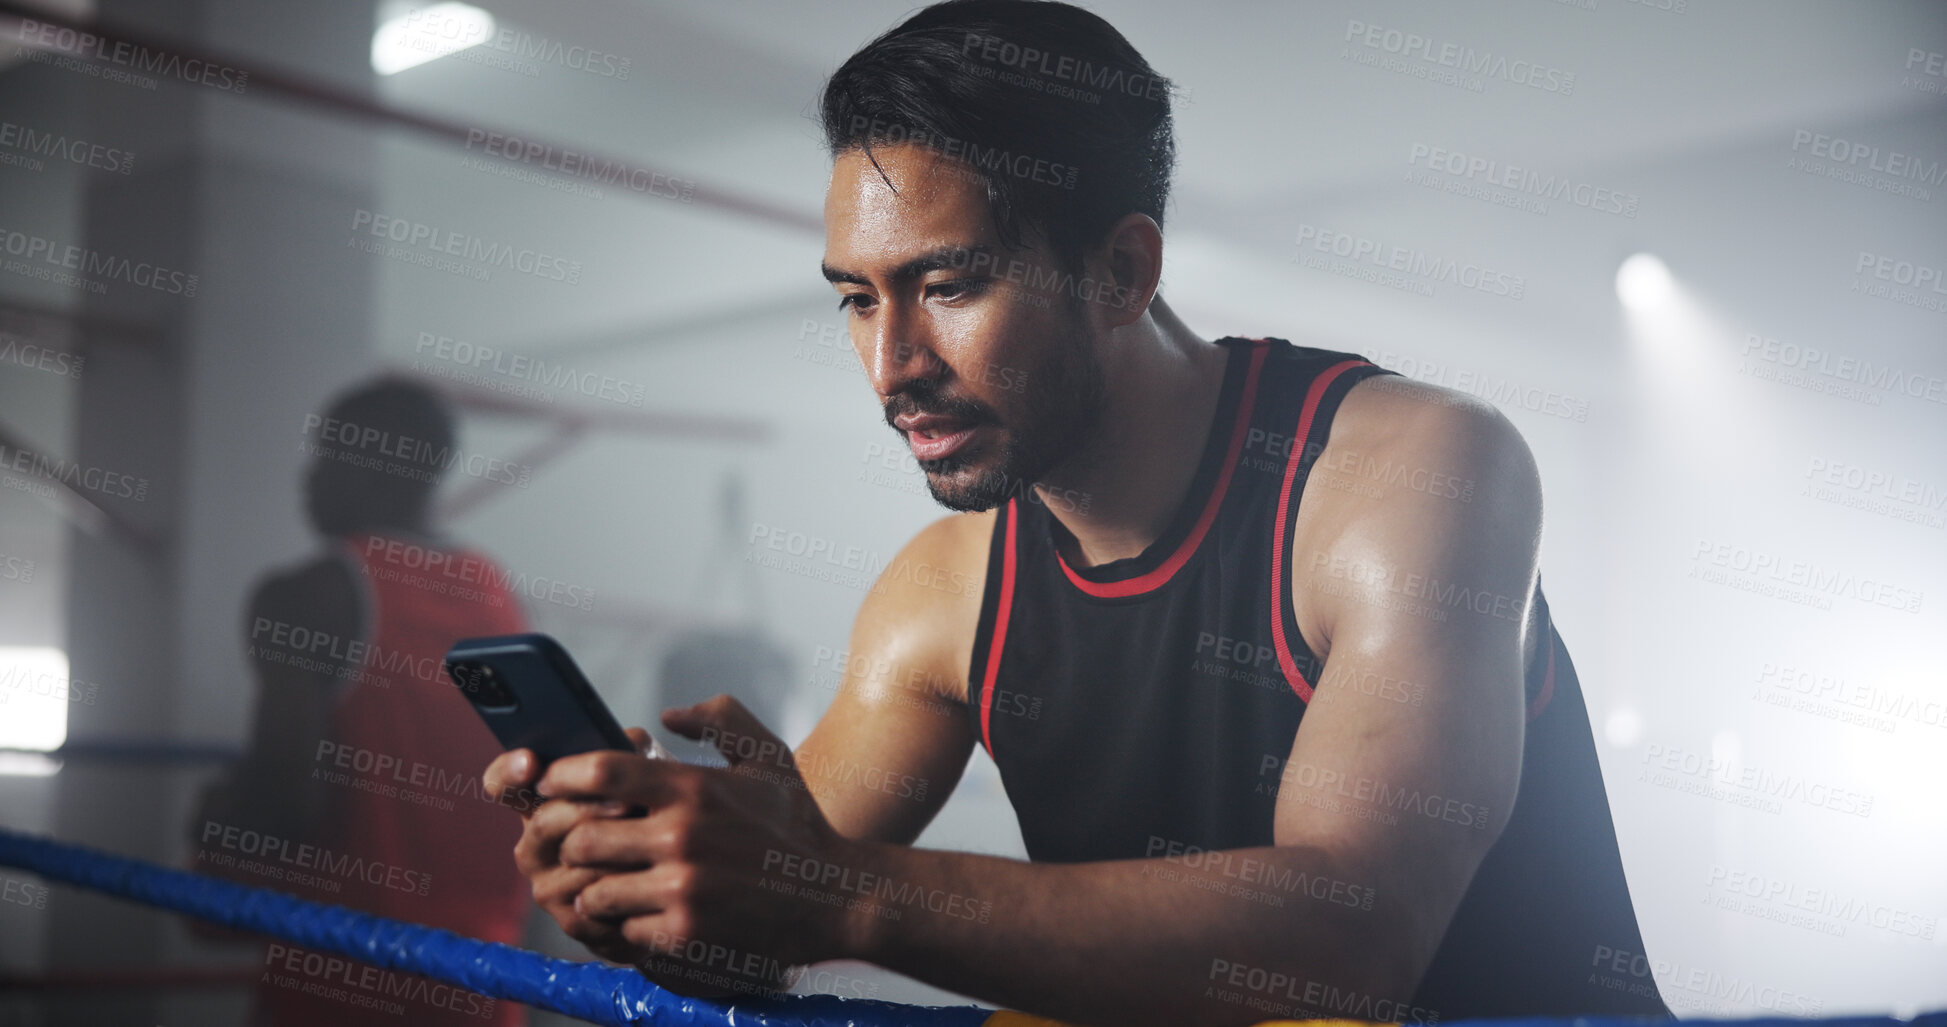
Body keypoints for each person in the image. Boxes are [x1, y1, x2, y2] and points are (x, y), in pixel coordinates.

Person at [484, 2, 1668, 1023]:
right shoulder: (940, 597)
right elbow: (760, 926)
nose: (893, 363)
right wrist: (639, 873)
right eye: (857, 299)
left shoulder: (1409, 470)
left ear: (1120, 271)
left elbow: (1354, 931)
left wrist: (832, 891)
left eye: (947, 285)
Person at [193, 377, 530, 1026]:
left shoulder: (313, 592)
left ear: (380, 466)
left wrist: (212, 822)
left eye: (327, 454)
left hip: (340, 980)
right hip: (482, 983)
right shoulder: (504, 598)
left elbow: (283, 799)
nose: (306, 479)